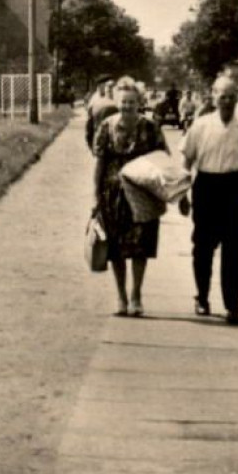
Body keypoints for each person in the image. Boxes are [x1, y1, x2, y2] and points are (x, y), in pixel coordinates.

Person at [181, 75, 238, 325]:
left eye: (232, 97)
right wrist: (182, 194)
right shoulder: (200, 126)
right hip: (206, 187)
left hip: (235, 188)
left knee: (234, 250)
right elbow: (186, 162)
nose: (227, 101)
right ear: (213, 96)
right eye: (223, 96)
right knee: (202, 246)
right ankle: (202, 297)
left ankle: (233, 305)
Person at [92, 84, 165, 317]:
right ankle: (121, 297)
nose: (127, 107)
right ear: (117, 102)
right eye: (123, 102)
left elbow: (164, 160)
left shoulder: (151, 128)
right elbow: (100, 165)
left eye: (131, 102)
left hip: (143, 195)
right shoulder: (107, 127)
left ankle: (136, 295)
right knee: (115, 248)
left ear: (139, 102)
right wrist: (96, 196)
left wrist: (173, 193)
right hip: (113, 196)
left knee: (140, 246)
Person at [84, 77, 118, 150]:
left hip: (100, 140)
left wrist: (91, 144)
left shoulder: (95, 101)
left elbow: (89, 125)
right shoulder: (118, 104)